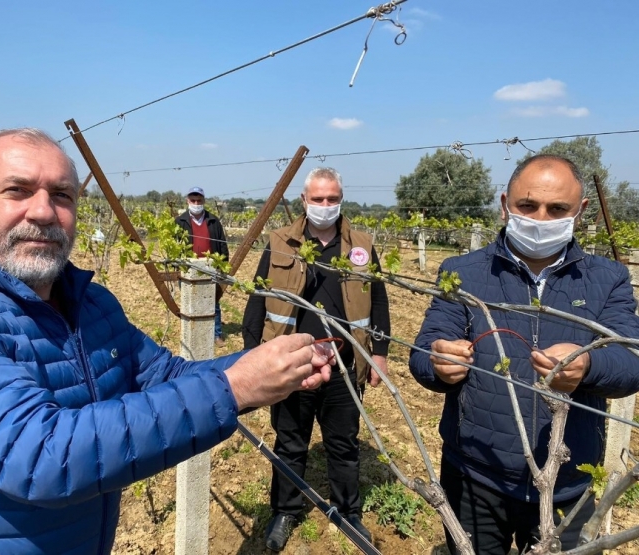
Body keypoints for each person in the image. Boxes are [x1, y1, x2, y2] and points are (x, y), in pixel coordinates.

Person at [0, 128, 336, 555]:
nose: (44, 212)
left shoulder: (92, 305)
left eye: (62, 195)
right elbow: (40, 456)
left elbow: (169, 376)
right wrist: (237, 386)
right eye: (17, 190)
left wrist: (272, 365)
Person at [409, 154, 639, 554]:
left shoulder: (609, 278)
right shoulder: (462, 271)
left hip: (569, 483)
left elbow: (631, 362)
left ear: (581, 212)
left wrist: (589, 365)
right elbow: (424, 349)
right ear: (504, 205)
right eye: (527, 206)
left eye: (557, 209)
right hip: (474, 477)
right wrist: (437, 360)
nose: (540, 218)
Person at [242, 167, 391, 551]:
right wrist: (252, 355)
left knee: (343, 442)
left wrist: (380, 354)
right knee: (290, 440)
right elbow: (257, 301)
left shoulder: (361, 245)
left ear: (341, 199)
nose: (326, 206)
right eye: (318, 199)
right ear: (304, 201)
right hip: (294, 361)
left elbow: (378, 300)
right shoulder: (280, 243)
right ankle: (286, 510)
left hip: (345, 363)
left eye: (333, 199)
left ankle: (348, 512)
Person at [175, 186, 229, 346]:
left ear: (204, 201)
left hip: (210, 267)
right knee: (189, 301)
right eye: (193, 200)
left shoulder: (213, 221)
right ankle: (191, 333)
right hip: (188, 268)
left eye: (199, 200)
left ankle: (216, 334)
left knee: (214, 302)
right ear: (187, 201)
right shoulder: (180, 222)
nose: (196, 203)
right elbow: (174, 246)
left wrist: (223, 264)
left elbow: (222, 244)